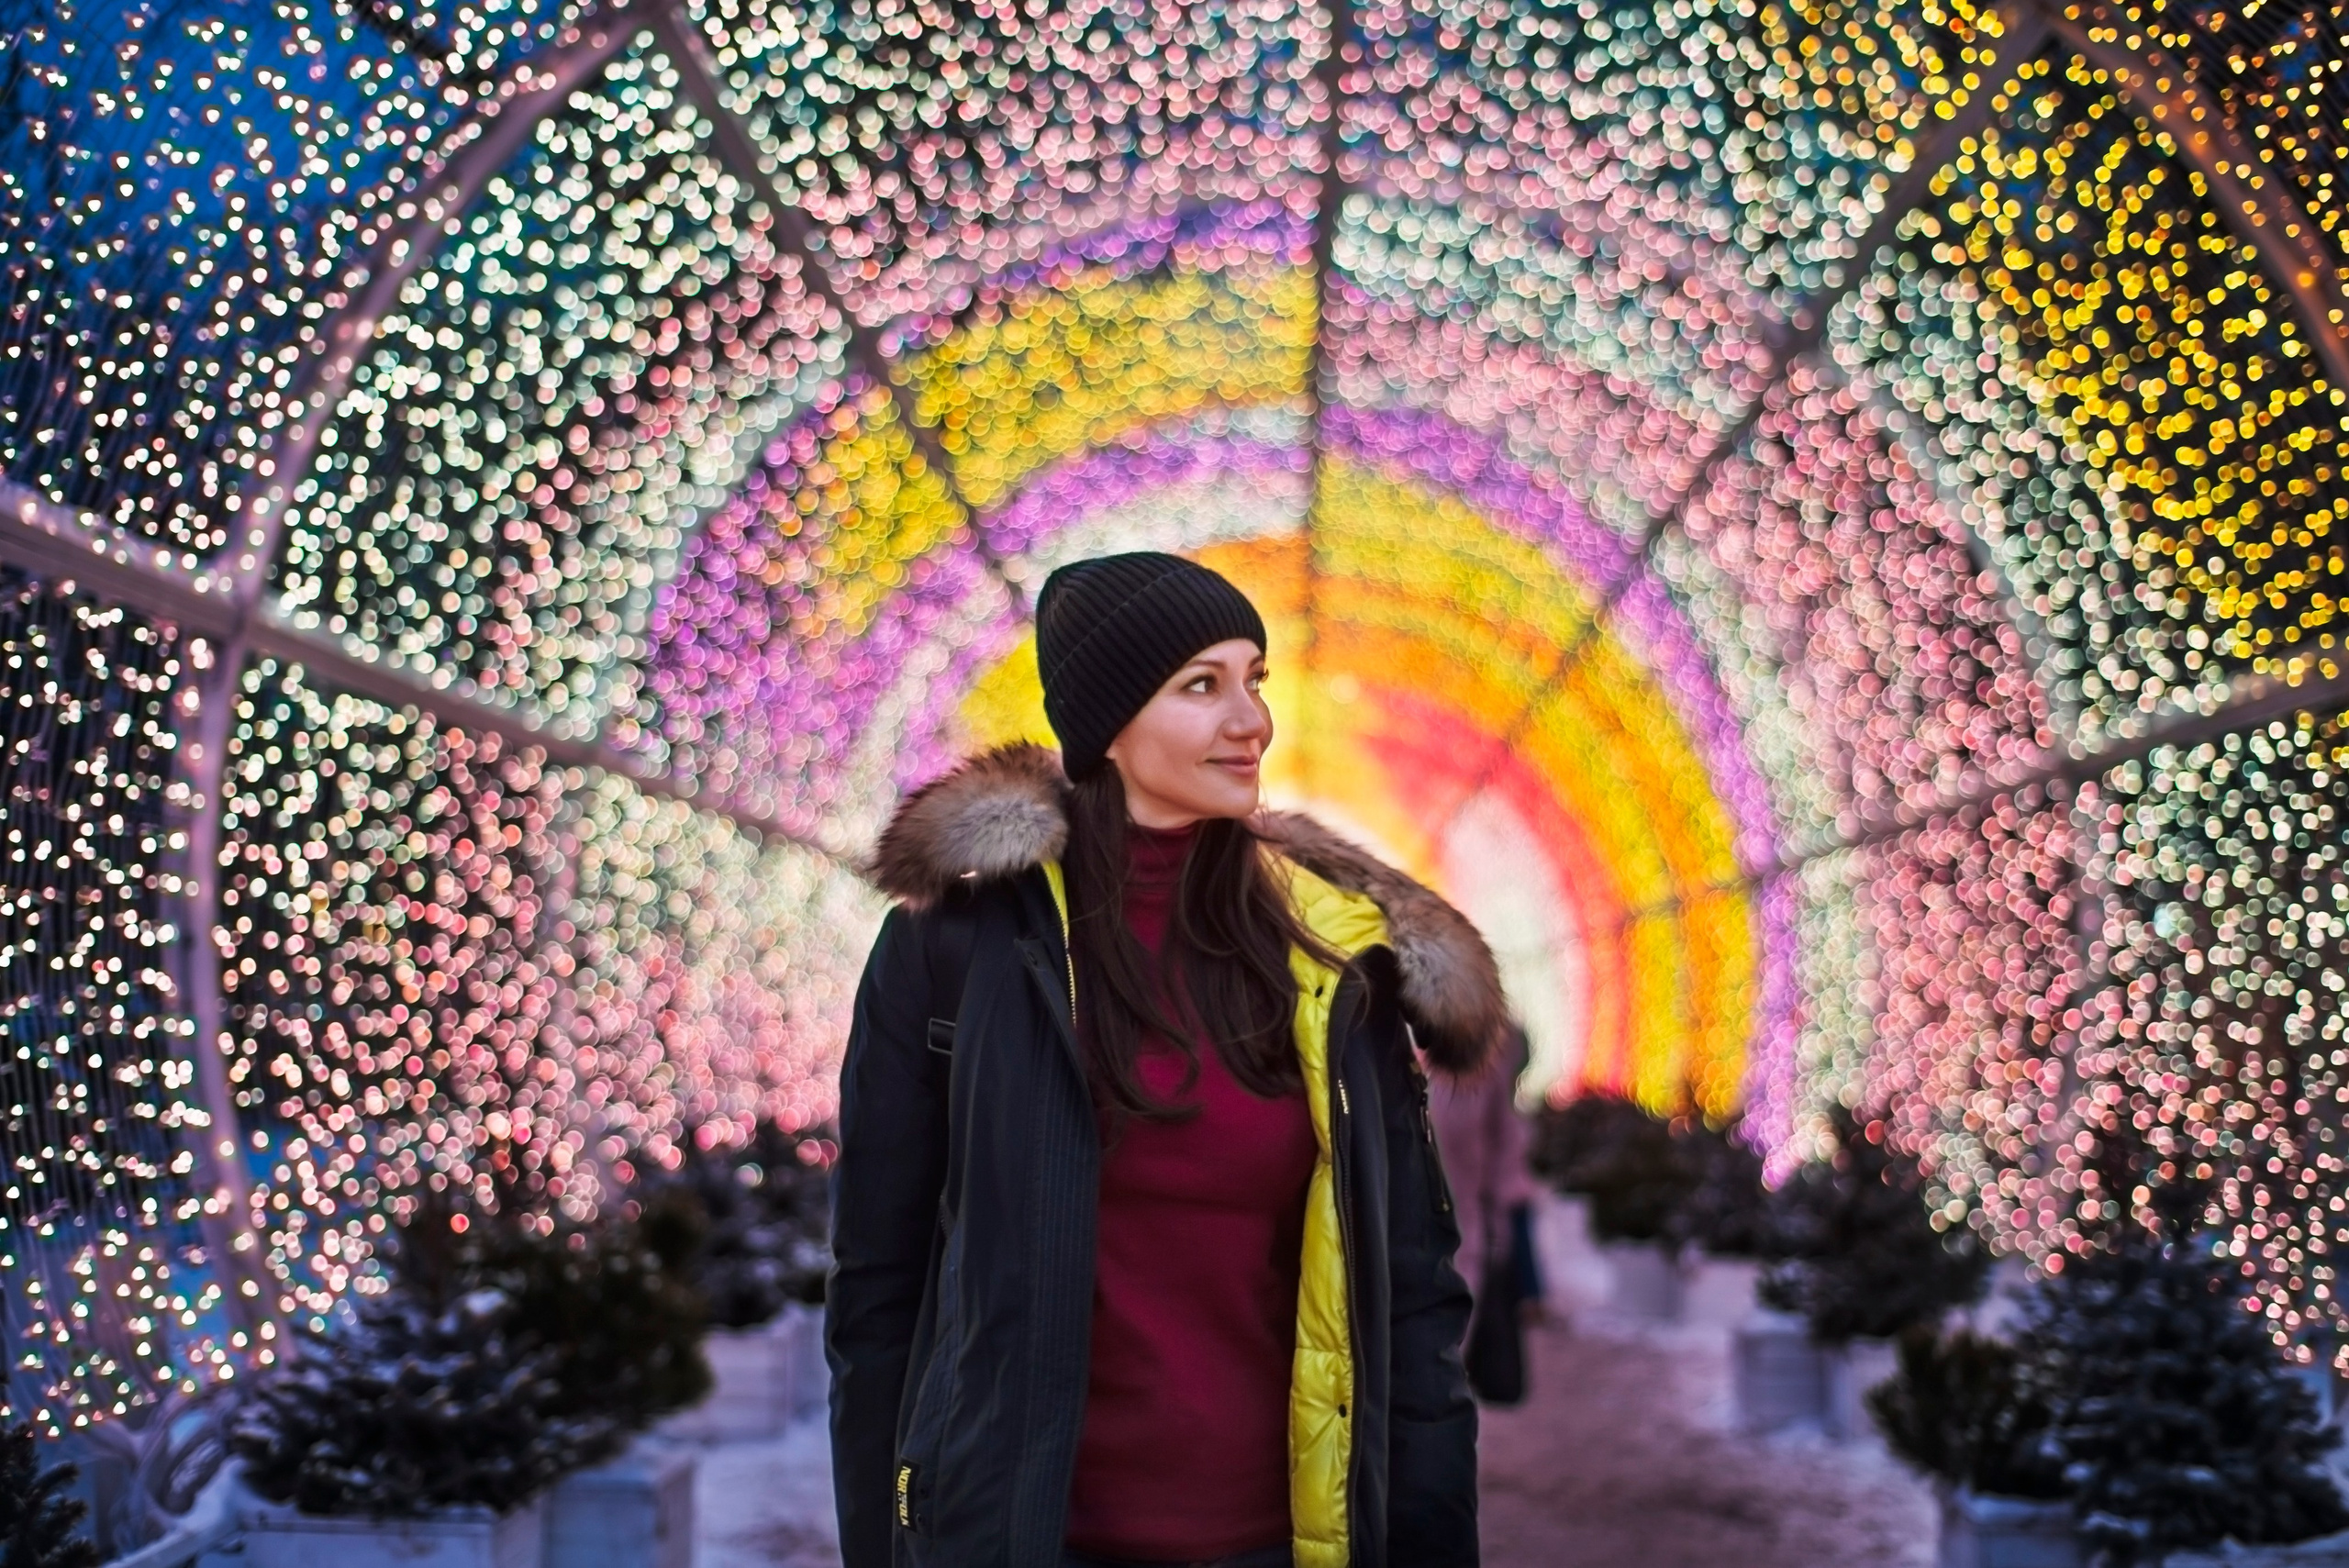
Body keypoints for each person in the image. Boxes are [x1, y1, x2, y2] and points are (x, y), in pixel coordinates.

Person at [829, 552, 1506, 1568]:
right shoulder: (958, 951)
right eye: (1202, 685)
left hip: (1276, 1542)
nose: (1251, 721)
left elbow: (1409, 1300)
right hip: (1026, 1540)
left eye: (1254, 678)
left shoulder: (1334, 960)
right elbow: (879, 1285)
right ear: (1108, 720)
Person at [1428, 1025, 1542, 1407]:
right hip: (1406, 1244)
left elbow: (1504, 1155)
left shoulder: (1483, 1053)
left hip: (1465, 1240)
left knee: (1439, 1384)